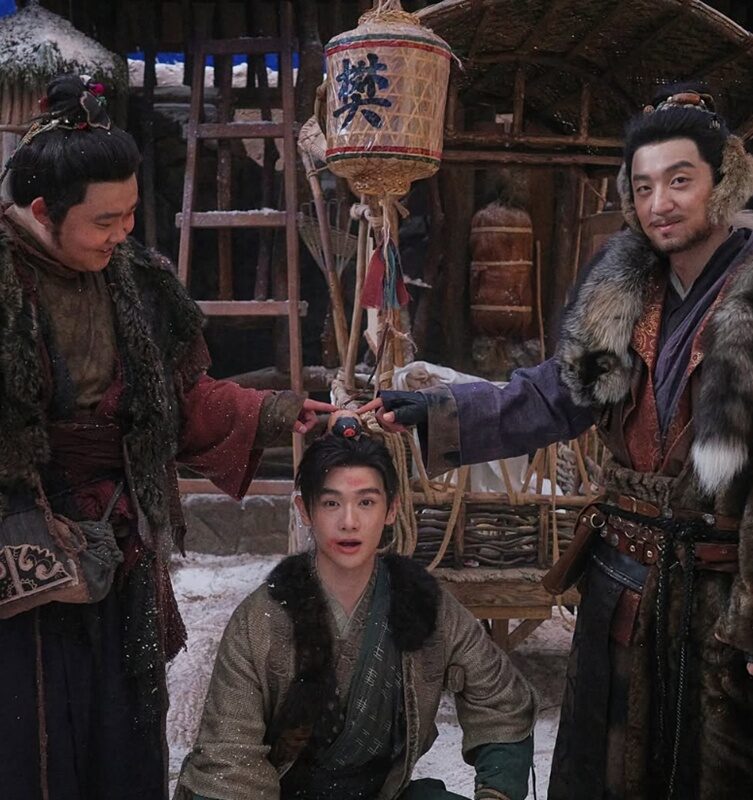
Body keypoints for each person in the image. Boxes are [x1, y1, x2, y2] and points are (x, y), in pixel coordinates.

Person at [360, 85, 753, 800]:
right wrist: (436, 412)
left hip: (720, 598)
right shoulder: (622, 293)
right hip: (620, 584)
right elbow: (551, 397)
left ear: (722, 182)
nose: (659, 203)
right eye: (643, 186)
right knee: (603, 773)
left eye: (679, 180)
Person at [0, 75, 334, 800]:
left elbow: (176, 403)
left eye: (129, 214)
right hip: (18, 567)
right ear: (41, 212)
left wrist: (277, 412)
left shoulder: (136, 282)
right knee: (30, 743)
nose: (123, 232)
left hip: (119, 547)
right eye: (104, 220)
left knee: (123, 737)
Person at [175, 433, 537, 800]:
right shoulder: (260, 620)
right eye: (331, 503)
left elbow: (500, 699)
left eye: (366, 502)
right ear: (305, 510)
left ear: (392, 509)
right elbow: (229, 758)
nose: (349, 522)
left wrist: (497, 791)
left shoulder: (424, 604)